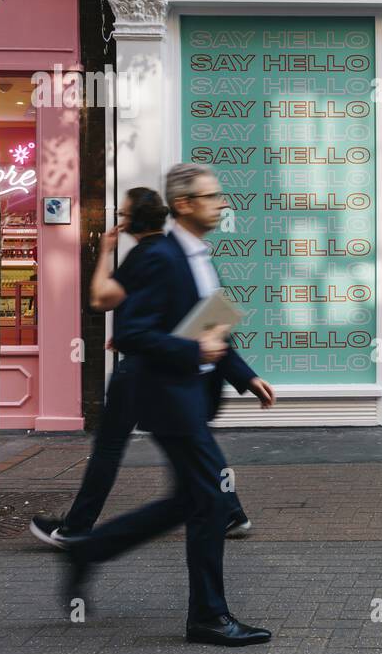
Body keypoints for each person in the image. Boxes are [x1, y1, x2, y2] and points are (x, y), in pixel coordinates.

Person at [60, 164, 276, 646]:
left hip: (190, 400)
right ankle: (208, 616)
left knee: (193, 499)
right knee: (211, 500)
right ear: (184, 204)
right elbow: (132, 332)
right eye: (212, 196)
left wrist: (245, 375)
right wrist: (191, 352)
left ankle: (88, 550)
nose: (222, 203)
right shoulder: (161, 256)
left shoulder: (198, 254)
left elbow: (212, 325)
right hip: (167, 398)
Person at [30, 188, 251, 548]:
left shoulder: (146, 255)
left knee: (111, 447)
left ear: (132, 220)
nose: (120, 218)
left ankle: (77, 529)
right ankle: (229, 510)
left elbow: (100, 299)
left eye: (123, 213)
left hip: (141, 372)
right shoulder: (168, 252)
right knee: (192, 441)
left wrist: (104, 251)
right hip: (166, 371)